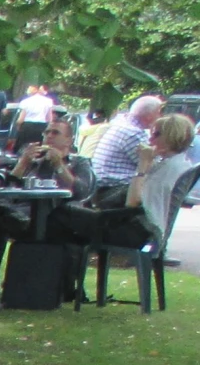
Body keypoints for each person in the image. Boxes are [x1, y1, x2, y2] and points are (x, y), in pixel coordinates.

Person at [64, 112, 198, 266]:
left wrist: (143, 164)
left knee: (62, 215)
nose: (150, 139)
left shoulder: (168, 170)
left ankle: (58, 280)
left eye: (156, 134)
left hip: (139, 231)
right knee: (70, 217)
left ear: (172, 136)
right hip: (144, 229)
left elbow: (132, 202)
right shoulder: (178, 164)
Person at [0, 116, 96, 284]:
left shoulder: (79, 162)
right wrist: (23, 163)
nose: (49, 136)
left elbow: (82, 191)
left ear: (69, 140)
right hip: (24, 211)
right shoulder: (34, 160)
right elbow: (9, 189)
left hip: (57, 218)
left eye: (56, 132)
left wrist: (59, 165)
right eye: (47, 132)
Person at [89, 94, 165, 189]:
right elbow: (155, 167)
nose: (162, 116)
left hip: (105, 186)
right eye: (160, 112)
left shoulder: (122, 124)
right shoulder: (133, 133)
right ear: (149, 116)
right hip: (115, 189)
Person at [11, 83, 56, 151]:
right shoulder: (48, 101)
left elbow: (20, 119)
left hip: (27, 127)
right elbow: (49, 118)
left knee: (22, 148)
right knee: (39, 149)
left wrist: (18, 126)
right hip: (42, 127)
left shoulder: (25, 101)